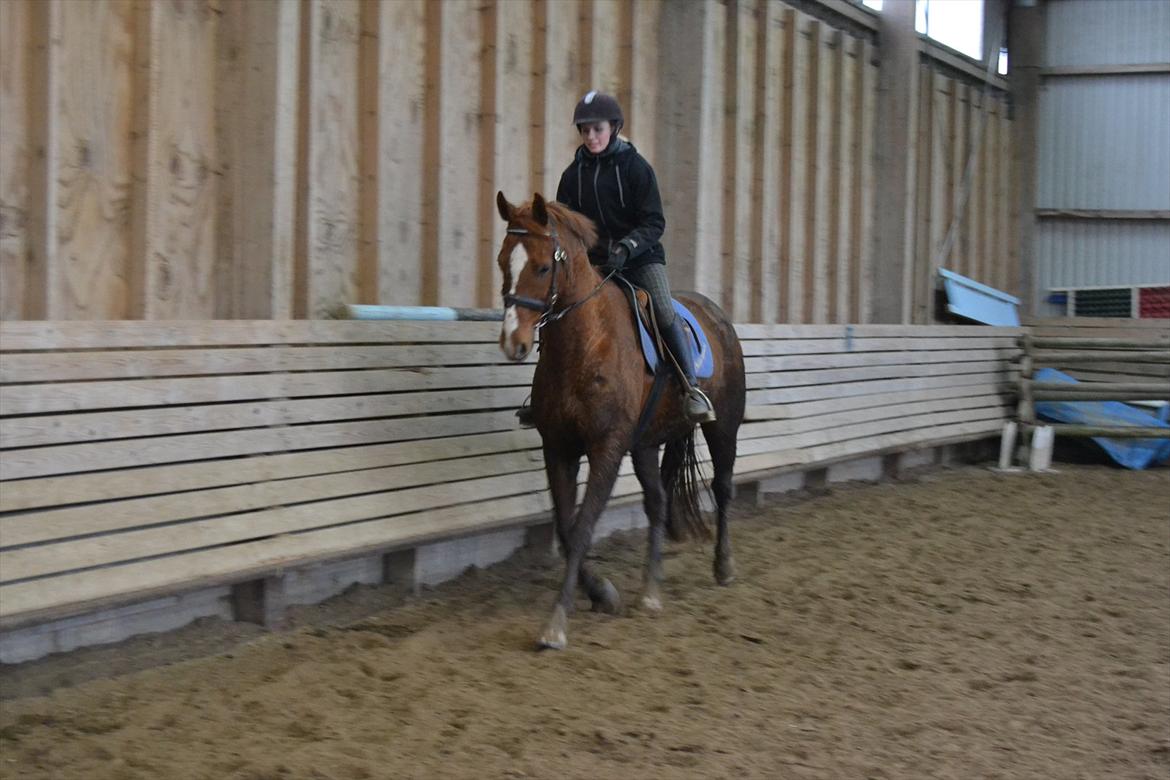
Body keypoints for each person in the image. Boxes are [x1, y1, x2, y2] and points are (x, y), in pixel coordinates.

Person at [516, 90, 716, 428]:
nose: (591, 137)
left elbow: (655, 222)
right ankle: (542, 396)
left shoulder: (637, 168)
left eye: (598, 129)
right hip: (593, 265)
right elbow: (565, 227)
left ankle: (690, 388)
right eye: (585, 130)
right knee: (556, 309)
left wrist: (627, 247)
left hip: (640, 259)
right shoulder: (571, 176)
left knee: (664, 309)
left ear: (614, 128)